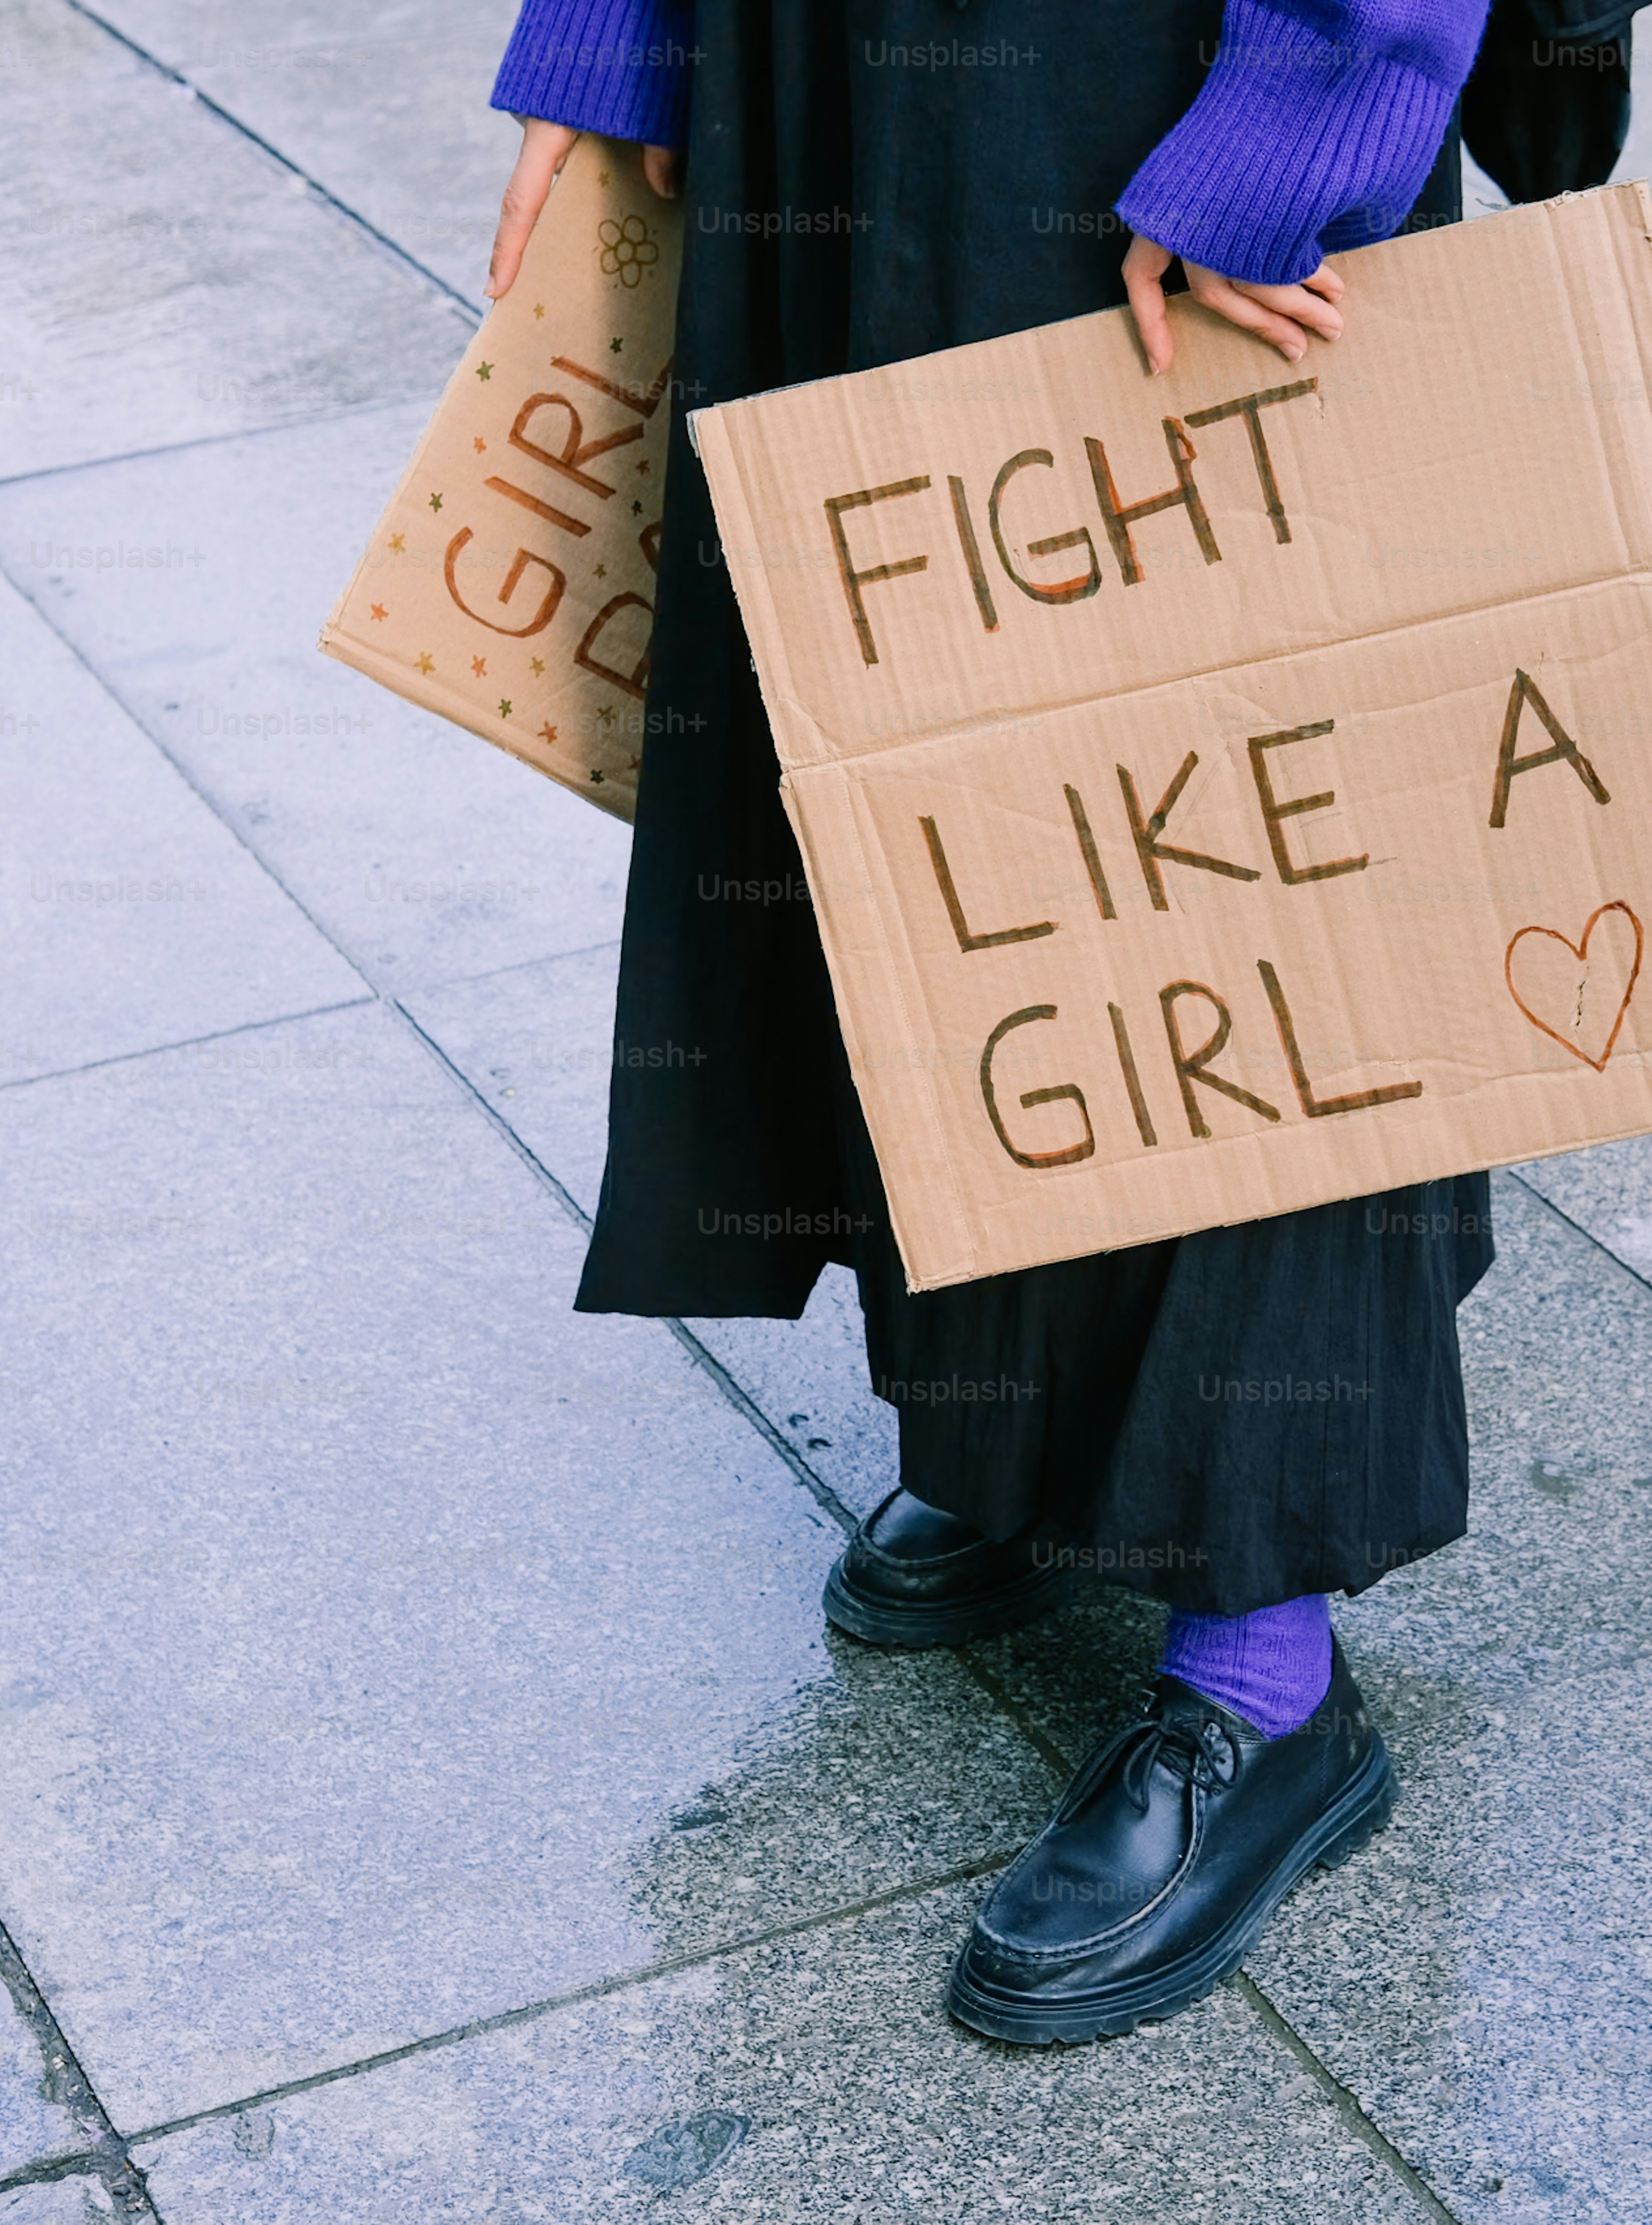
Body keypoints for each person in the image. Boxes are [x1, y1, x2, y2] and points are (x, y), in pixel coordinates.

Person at [484, 0, 1496, 2044]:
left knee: (1211, 839)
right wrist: (620, 39)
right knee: (900, 753)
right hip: (830, 71)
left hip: (1152, 76)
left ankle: (1261, 1672)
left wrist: (1309, 114)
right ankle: (1010, 1424)